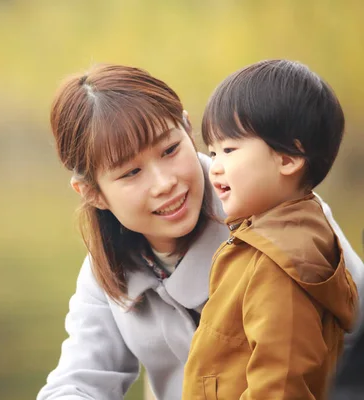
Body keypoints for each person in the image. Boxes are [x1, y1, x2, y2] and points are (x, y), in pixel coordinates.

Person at [36, 64, 364, 400]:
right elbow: (77, 383)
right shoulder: (107, 267)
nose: (165, 184)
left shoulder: (281, 214)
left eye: (170, 150)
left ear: (187, 128)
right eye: (131, 172)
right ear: (92, 193)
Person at [181, 59, 358, 399]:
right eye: (212, 151)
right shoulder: (266, 236)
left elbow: (281, 386)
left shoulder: (282, 263)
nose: (214, 167)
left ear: (288, 159)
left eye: (229, 150)